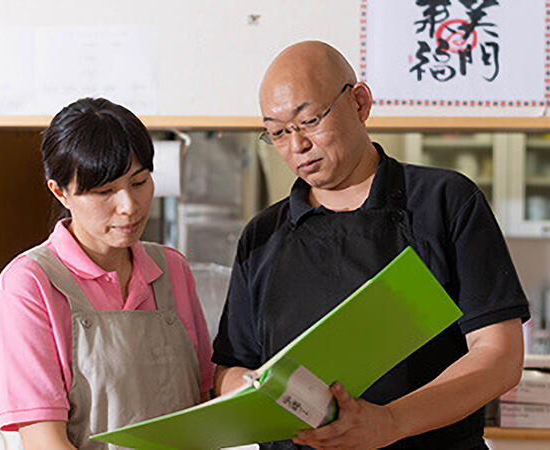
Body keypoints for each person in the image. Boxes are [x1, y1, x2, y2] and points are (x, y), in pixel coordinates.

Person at [212, 41, 530, 449]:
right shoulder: (262, 235)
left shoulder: (445, 201)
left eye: (309, 121)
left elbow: (499, 357)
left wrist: (392, 421)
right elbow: (230, 368)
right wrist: (252, 387)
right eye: (277, 132)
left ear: (360, 101)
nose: (296, 146)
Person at [0, 98, 213, 449]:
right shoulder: (30, 283)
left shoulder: (172, 269)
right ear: (60, 191)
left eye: (139, 182)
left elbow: (205, 403)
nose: (129, 206)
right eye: (104, 191)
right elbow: (44, 442)